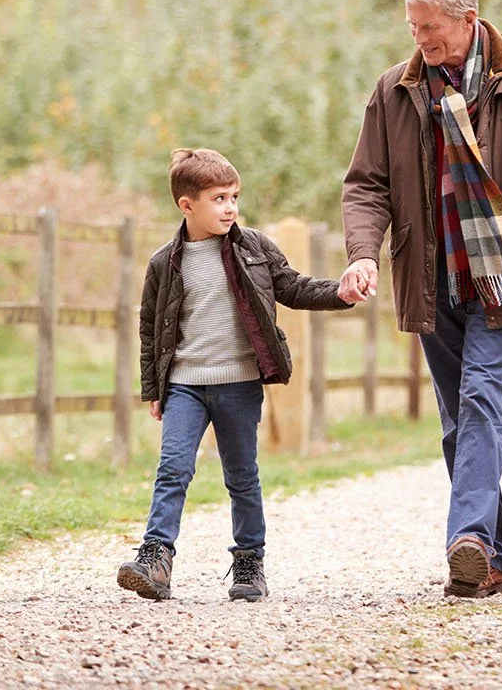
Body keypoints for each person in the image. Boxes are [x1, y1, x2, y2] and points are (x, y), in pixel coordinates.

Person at [340, 0, 502, 597]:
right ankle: (492, 558)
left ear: (469, 20)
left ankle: (466, 537)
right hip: (431, 275)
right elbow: (366, 184)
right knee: (457, 420)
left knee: (479, 399)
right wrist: (364, 250)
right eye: (413, 27)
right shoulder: (395, 89)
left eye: (431, 28)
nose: (420, 39)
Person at [117, 148, 352, 602]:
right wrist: (154, 388)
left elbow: (293, 287)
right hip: (185, 383)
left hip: (239, 382)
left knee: (241, 474)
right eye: (219, 198)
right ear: (187, 205)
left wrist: (339, 293)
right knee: (173, 468)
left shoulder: (255, 249)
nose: (230, 207)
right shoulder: (165, 262)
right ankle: (156, 557)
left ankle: (249, 561)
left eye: (234, 197)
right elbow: (150, 328)